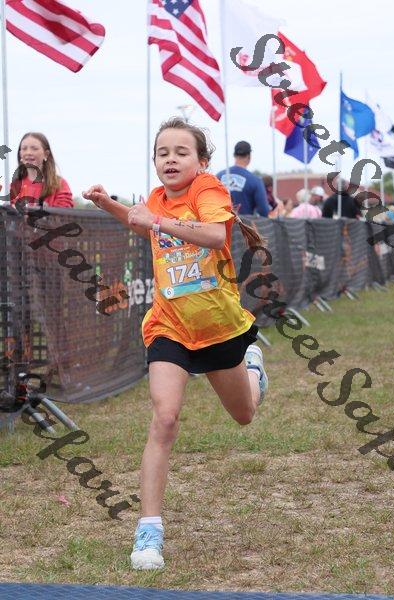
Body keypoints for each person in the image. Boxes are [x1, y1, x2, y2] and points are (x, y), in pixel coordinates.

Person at [83, 117, 269, 571]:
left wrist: (158, 219)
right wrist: (109, 204)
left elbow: (214, 234)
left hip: (218, 327)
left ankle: (253, 370)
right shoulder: (155, 199)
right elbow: (144, 225)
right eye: (162, 152)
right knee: (164, 418)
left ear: (201, 161)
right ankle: (149, 530)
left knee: (244, 415)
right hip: (169, 326)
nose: (170, 159)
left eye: (181, 152)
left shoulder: (208, 190)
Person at [10, 132, 73, 208]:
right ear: (20, 154)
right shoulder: (14, 186)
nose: (28, 152)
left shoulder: (60, 184)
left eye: (34, 149)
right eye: (24, 148)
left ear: (46, 154)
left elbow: (64, 213)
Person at [216, 141, 270, 217]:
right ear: (249, 156)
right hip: (244, 223)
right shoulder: (255, 181)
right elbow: (264, 212)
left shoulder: (218, 177)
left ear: (234, 155)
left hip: (219, 223)